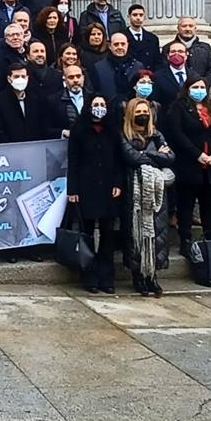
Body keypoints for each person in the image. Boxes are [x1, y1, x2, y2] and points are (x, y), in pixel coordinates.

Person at [162, 70, 211, 255]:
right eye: (195, 87)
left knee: (208, 203)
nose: (199, 90)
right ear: (187, 89)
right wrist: (197, 154)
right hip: (189, 164)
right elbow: (177, 134)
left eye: (202, 87)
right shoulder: (179, 107)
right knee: (186, 204)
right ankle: (185, 239)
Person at [66, 94, 123, 295]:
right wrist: (73, 189)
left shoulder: (112, 129)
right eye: (95, 104)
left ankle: (107, 277)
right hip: (86, 187)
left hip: (108, 188)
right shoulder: (79, 129)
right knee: (87, 233)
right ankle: (89, 276)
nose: (99, 107)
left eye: (102, 104)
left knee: (108, 234)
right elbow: (73, 160)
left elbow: (119, 159)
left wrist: (118, 183)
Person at [119, 96, 176, 297]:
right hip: (133, 190)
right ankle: (138, 275)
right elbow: (131, 157)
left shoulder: (157, 135)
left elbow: (170, 157)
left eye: (145, 112)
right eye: (138, 112)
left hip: (156, 193)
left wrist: (147, 156)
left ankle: (152, 275)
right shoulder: (124, 135)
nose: (142, 115)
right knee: (136, 233)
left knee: (156, 234)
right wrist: (156, 156)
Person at [0, 61, 50, 143]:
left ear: (27, 78)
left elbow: (41, 126)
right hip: (10, 148)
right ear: (9, 79)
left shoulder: (35, 99)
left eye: (23, 76)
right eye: (16, 77)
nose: (20, 79)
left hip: (33, 147)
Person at [170, 18, 211, 83]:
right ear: (178, 28)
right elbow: (164, 71)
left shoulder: (205, 48)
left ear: (195, 28)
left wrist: (203, 83)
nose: (187, 29)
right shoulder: (168, 48)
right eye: (184, 26)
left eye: (191, 26)